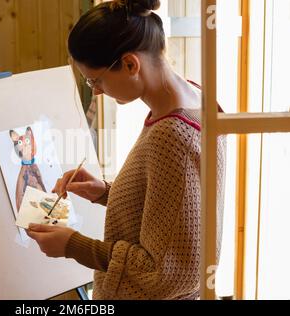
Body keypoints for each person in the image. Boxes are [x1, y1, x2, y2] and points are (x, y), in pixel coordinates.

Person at [26, 0, 226, 300]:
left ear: (131, 64)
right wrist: (105, 192)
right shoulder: (195, 98)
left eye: (95, 79)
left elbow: (168, 272)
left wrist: (73, 246)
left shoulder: (171, 135)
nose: (95, 90)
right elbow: (170, 213)